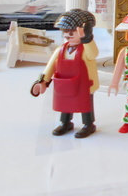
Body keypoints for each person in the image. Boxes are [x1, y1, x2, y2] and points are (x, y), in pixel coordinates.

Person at [30, 9, 99, 138]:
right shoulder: (61, 49)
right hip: (64, 84)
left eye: (72, 32)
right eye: (65, 32)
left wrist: (87, 38)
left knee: (86, 104)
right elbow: (51, 66)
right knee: (65, 103)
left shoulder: (86, 49)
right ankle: (65, 122)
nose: (67, 35)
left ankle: (88, 124)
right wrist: (42, 81)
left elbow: (93, 54)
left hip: (84, 85)